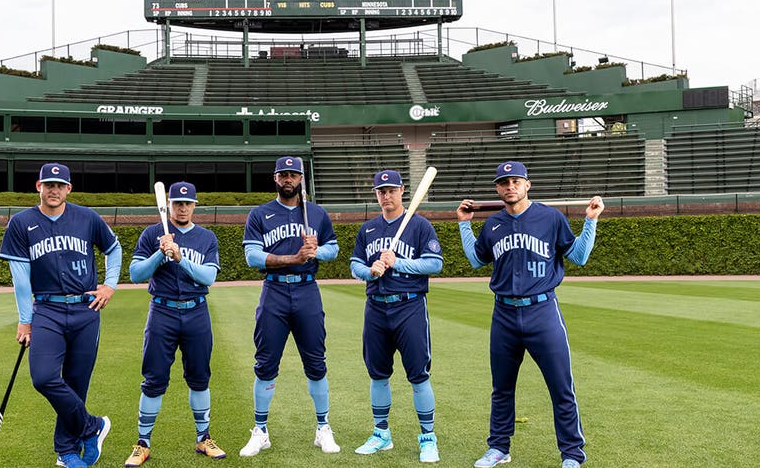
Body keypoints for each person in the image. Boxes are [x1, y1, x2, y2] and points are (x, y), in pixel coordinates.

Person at [456, 161, 604, 468]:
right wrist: (463, 224)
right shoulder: (493, 224)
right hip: (504, 315)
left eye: (515, 181)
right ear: (497, 189)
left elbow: (578, 256)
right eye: (503, 182)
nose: (510, 186)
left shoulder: (550, 217)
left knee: (561, 386)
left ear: (527, 184)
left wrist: (590, 221)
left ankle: (573, 454)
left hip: (542, 311)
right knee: (502, 388)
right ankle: (498, 448)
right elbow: (476, 260)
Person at [0, 162, 120, 468]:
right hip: (48, 310)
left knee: (77, 383)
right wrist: (25, 319)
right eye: (48, 184)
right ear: (38, 186)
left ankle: (66, 452)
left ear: (69, 189)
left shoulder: (87, 217)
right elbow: (20, 278)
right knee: (44, 378)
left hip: (85, 308)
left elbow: (113, 249)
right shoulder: (21, 222)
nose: (54, 190)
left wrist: (109, 285)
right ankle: (92, 427)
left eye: (60, 185)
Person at [238, 155, 341, 457]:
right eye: (283, 174)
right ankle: (260, 431)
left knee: (316, 362)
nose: (288, 179)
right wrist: (292, 258)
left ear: (300, 180)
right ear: (275, 178)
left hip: (307, 291)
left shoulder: (317, 214)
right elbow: (252, 257)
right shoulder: (260, 214)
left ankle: (323, 428)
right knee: (266, 364)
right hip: (274, 292)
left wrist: (316, 250)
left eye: (293, 175)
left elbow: (333, 250)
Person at [123, 181, 226, 466]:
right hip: (162, 312)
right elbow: (135, 274)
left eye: (187, 203)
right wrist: (160, 253)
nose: (182, 208)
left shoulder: (206, 237)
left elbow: (208, 278)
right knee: (154, 378)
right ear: (169, 205)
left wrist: (179, 258)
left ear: (194, 205)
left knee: (199, 377)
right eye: (177, 203)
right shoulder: (152, 234)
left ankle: (203, 437)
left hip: (196, 312)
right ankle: (143, 443)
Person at [349, 169, 444, 463]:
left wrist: (398, 263)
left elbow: (434, 264)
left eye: (391, 190)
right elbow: (355, 266)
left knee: (418, 374)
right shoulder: (368, 229)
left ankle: (428, 438)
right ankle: (381, 434)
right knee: (377, 374)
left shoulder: (420, 226)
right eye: (381, 191)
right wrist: (371, 270)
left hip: (409, 306)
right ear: (376, 194)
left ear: (402, 190)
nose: (386, 195)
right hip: (376, 306)